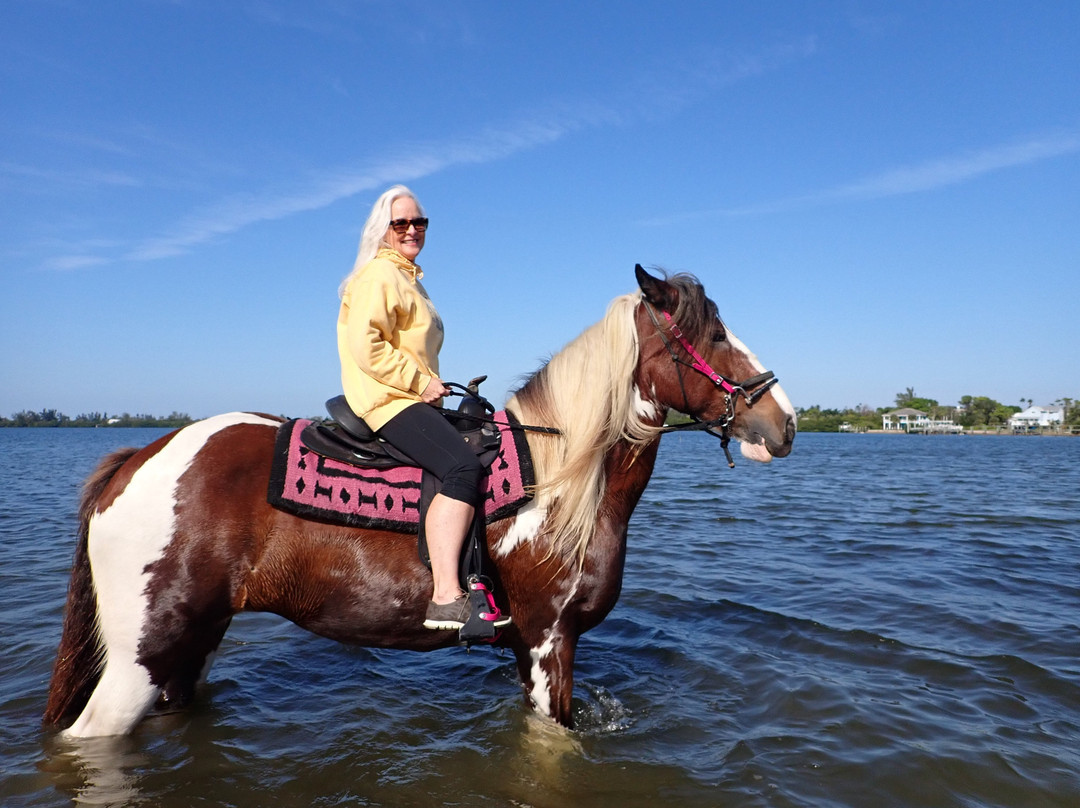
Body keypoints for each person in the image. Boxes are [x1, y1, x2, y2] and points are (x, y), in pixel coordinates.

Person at [337, 185, 505, 630]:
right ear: (383, 230)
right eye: (401, 223)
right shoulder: (380, 276)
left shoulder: (408, 278)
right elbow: (365, 346)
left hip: (408, 396)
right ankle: (446, 595)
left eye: (419, 222)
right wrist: (420, 382)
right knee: (462, 469)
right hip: (388, 400)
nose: (412, 229)